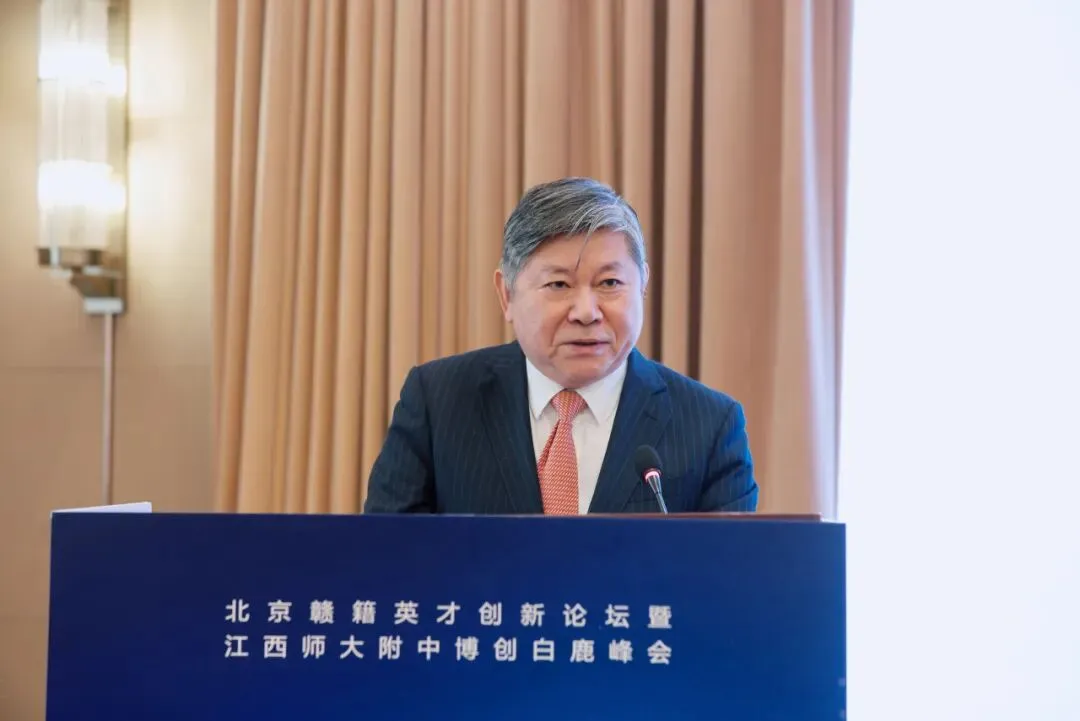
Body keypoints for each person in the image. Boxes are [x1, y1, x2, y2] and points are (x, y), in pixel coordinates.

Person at [363, 177, 757, 515]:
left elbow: (729, 573)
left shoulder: (710, 426)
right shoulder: (438, 403)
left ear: (642, 286)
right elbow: (383, 559)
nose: (586, 312)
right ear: (506, 294)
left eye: (610, 283)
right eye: (559, 285)